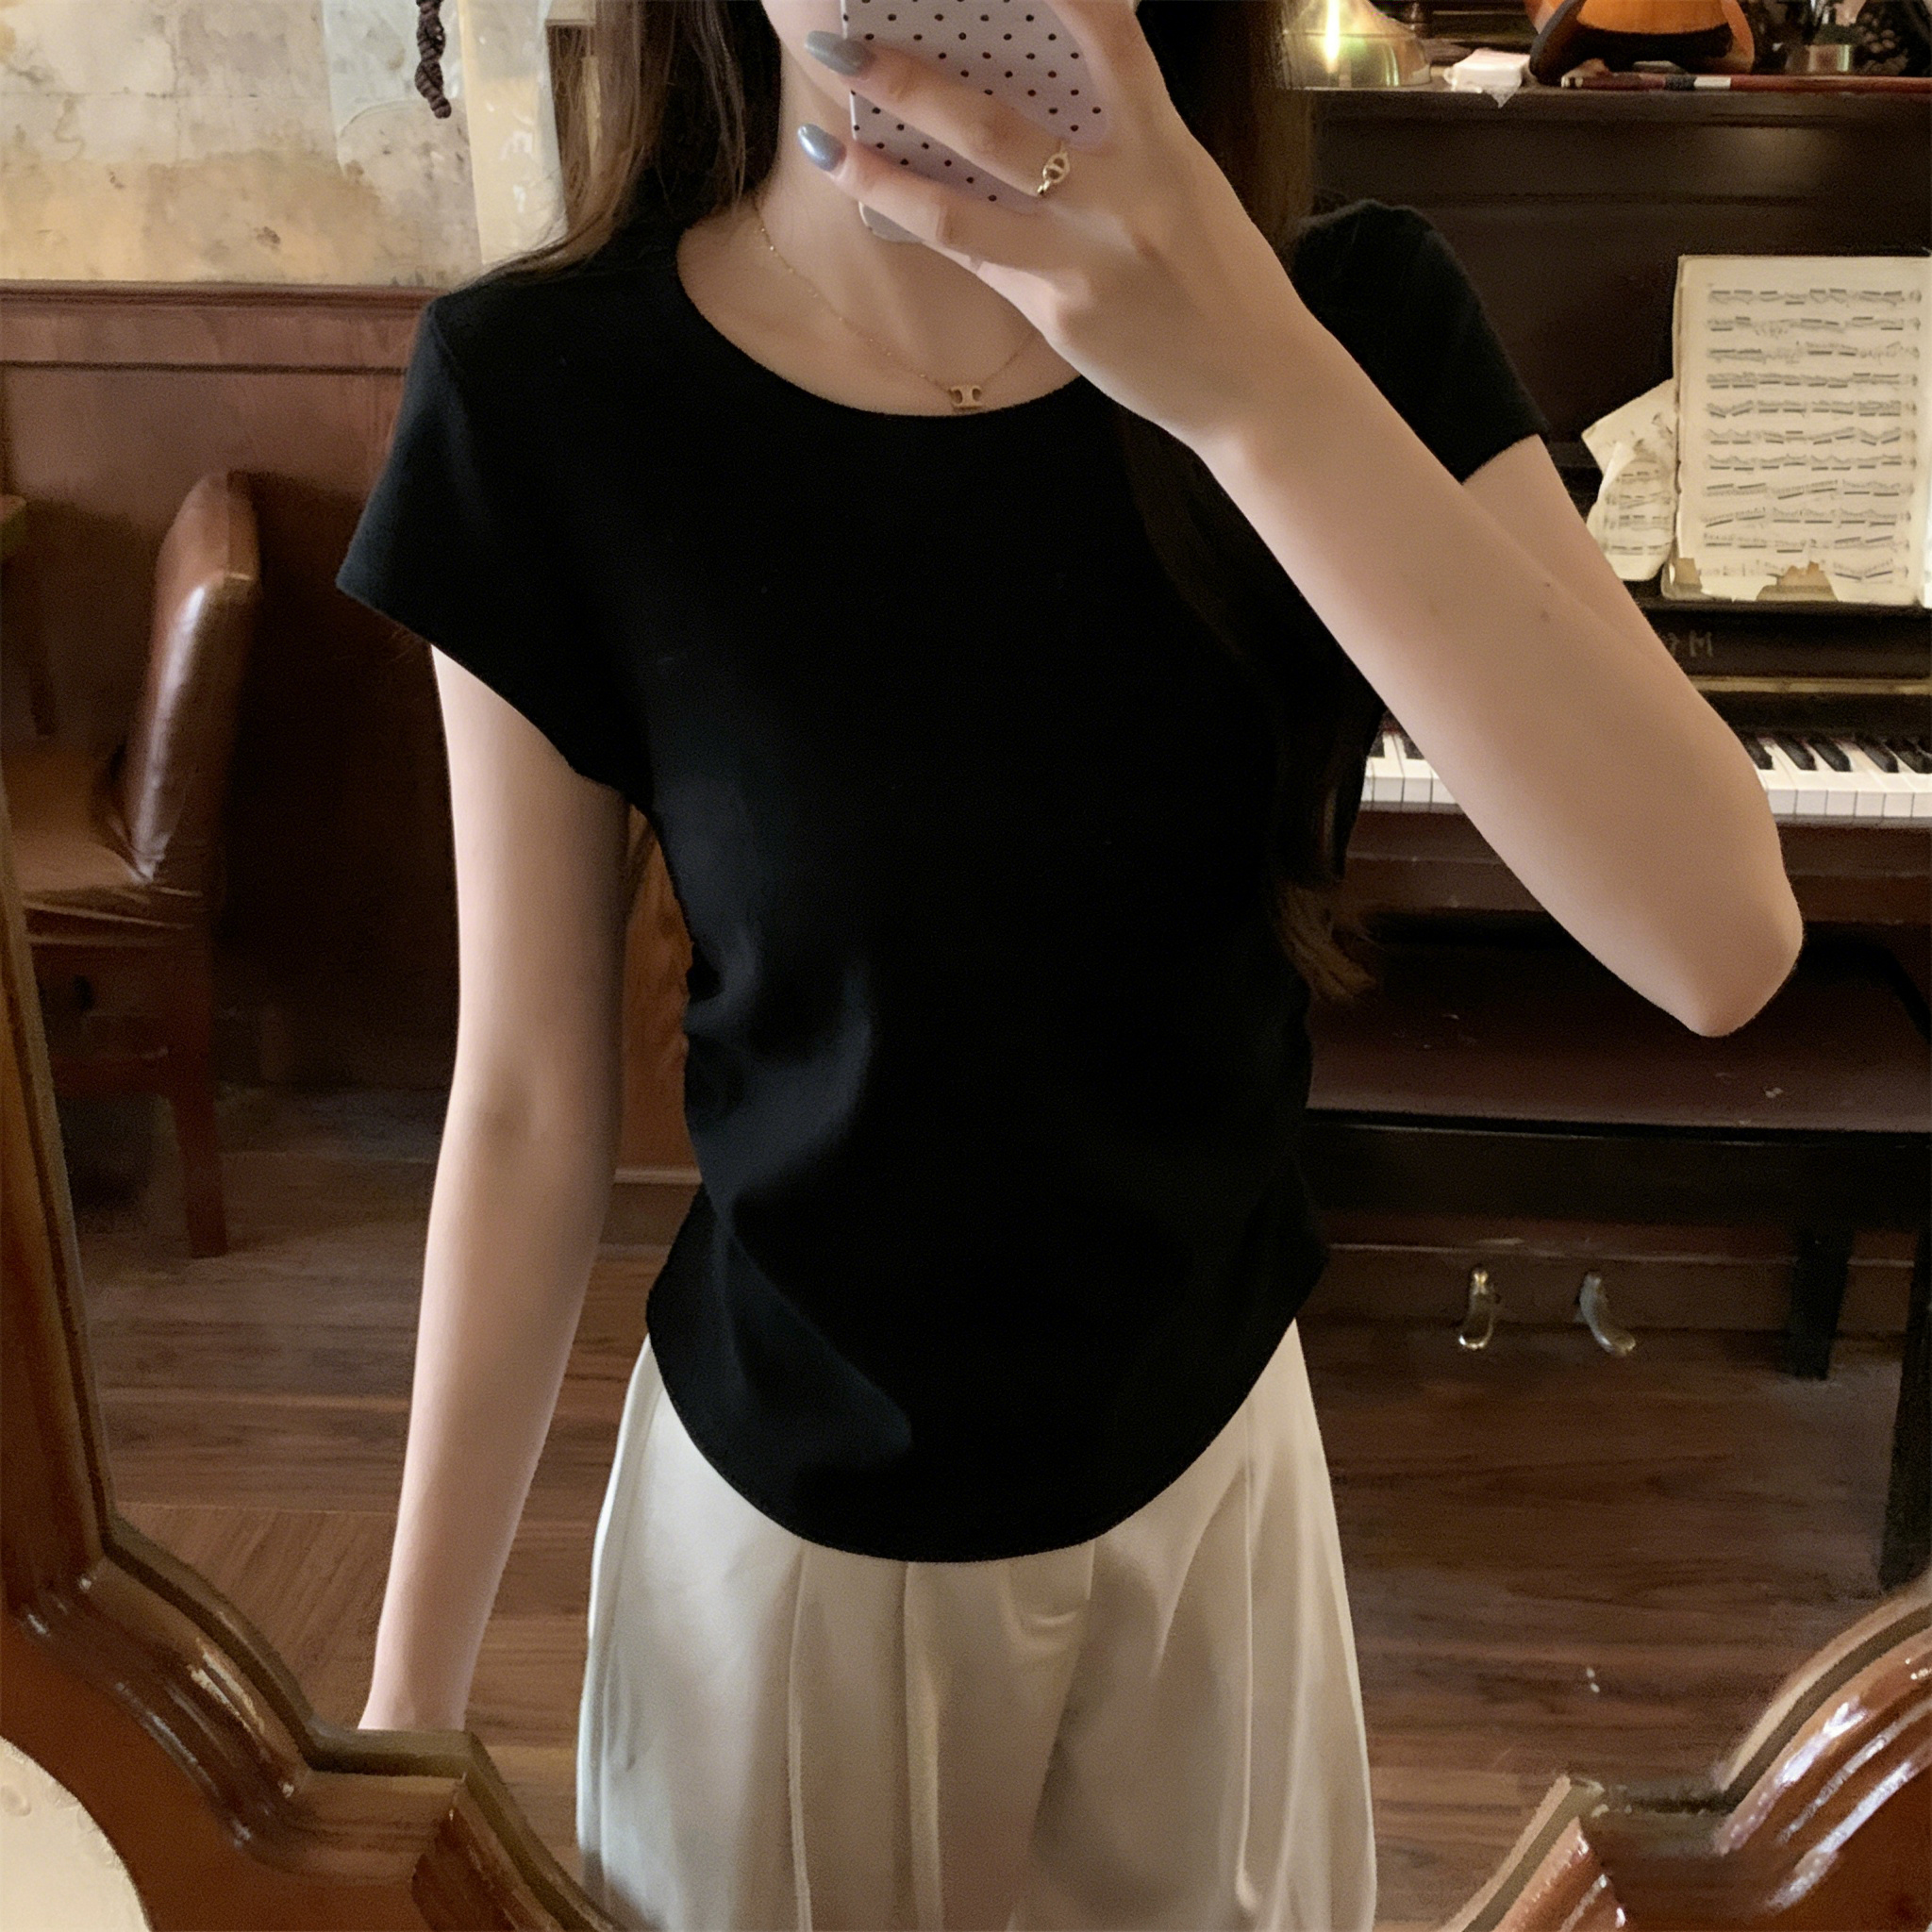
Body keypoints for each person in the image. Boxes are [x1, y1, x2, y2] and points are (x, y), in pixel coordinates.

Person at [334, 3, 1805, 1927]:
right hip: (796, 1534)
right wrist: (402, 1724)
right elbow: (528, 1099)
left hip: (1215, 1480)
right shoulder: (547, 391)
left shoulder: (1342, 315)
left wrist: (1245, 377)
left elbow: (1718, 935)